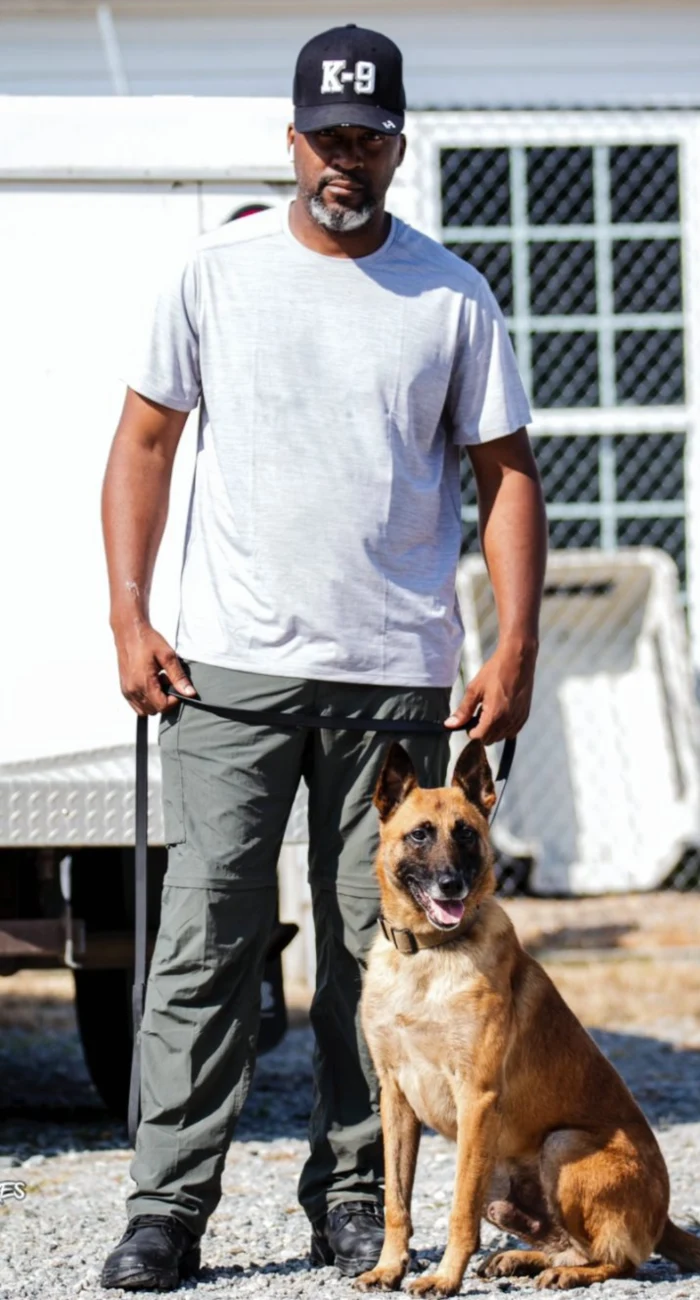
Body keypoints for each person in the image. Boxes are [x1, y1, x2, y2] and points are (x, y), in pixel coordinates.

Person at [99, 22, 547, 1293]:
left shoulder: (452, 293)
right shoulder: (215, 273)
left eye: (370, 138)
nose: (345, 159)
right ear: (290, 140)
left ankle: (355, 1201)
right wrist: (132, 617)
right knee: (205, 939)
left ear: (399, 145)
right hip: (227, 672)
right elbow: (142, 448)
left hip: (395, 674)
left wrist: (513, 643)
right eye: (326, 136)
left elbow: (505, 474)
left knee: (382, 953)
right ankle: (165, 1209)